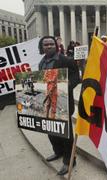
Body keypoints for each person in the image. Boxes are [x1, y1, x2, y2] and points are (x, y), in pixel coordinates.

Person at [38, 36, 80, 175]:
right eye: (46, 44)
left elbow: (76, 76)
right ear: (42, 47)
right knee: (51, 130)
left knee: (65, 133)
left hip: (63, 102)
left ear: (56, 46)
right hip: (48, 103)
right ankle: (58, 152)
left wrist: (66, 86)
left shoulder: (65, 60)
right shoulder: (41, 63)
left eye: (51, 44)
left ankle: (69, 160)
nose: (49, 46)